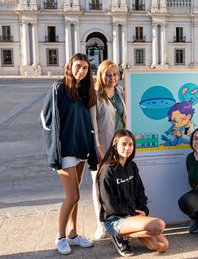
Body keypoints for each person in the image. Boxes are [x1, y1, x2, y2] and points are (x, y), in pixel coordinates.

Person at [40, 53, 98, 255]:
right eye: (78, 66)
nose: (81, 71)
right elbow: (46, 120)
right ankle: (60, 237)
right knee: (72, 196)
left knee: (76, 196)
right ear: (70, 66)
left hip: (81, 148)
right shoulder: (58, 88)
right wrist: (53, 150)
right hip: (65, 151)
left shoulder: (85, 91)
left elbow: (89, 120)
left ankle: (73, 235)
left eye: (85, 68)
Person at [98, 130, 169, 256]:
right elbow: (110, 206)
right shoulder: (108, 170)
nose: (127, 148)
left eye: (130, 144)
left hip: (133, 215)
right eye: (123, 144)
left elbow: (140, 191)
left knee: (162, 246)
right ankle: (118, 235)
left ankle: (126, 233)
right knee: (159, 225)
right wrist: (133, 213)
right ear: (115, 145)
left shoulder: (132, 166)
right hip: (115, 219)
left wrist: (144, 210)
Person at [90, 60, 127, 239]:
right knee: (99, 186)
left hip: (120, 148)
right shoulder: (95, 94)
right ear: (101, 76)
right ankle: (100, 224)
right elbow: (92, 124)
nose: (112, 78)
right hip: (103, 146)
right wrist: (97, 148)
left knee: (118, 184)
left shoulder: (120, 92)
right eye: (108, 74)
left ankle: (117, 219)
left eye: (114, 74)